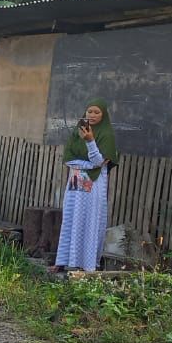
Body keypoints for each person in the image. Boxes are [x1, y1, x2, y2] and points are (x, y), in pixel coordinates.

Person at [55, 99, 117, 272]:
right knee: (70, 220)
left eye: (97, 112)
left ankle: (87, 265)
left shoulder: (107, 135)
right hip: (75, 182)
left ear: (103, 116)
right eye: (89, 111)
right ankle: (65, 261)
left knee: (89, 221)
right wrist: (87, 164)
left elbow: (100, 161)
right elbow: (68, 158)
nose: (92, 115)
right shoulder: (77, 132)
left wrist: (90, 141)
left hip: (94, 184)